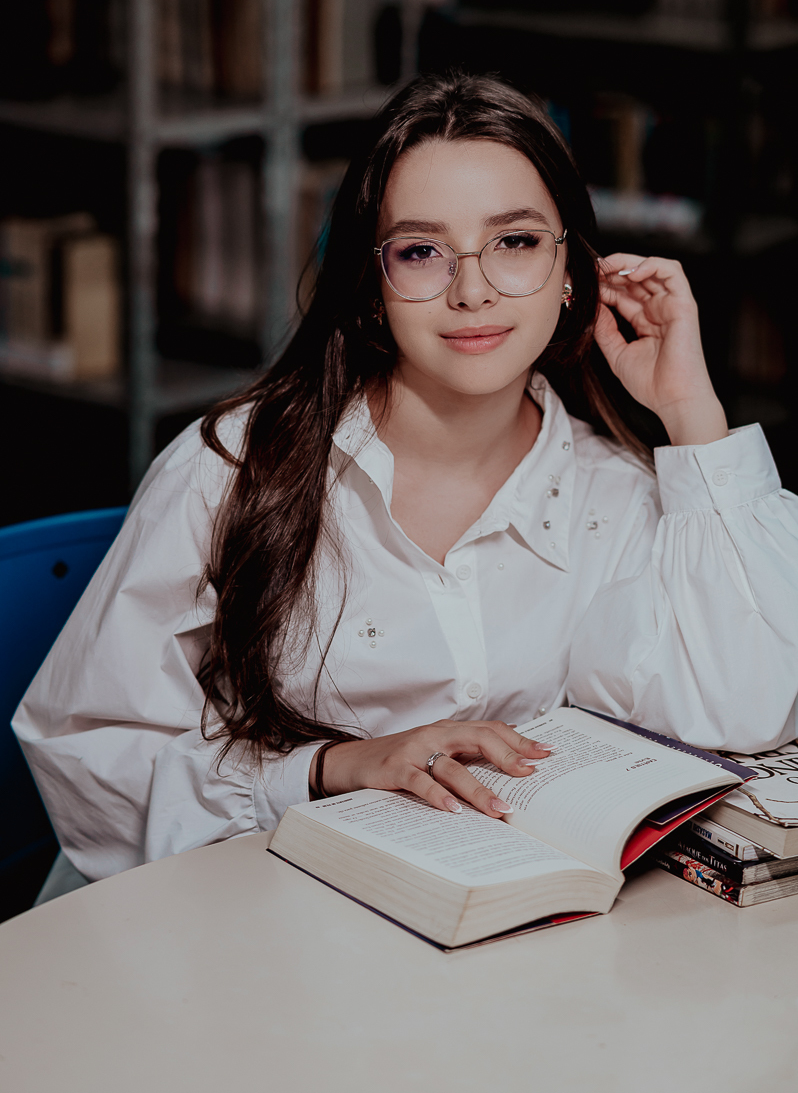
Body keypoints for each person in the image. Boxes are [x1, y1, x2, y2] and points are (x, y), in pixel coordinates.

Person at [13, 72, 798, 883]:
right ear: (371, 284)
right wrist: (329, 768)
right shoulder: (237, 468)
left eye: (517, 242)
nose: (473, 289)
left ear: (572, 271)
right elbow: (86, 756)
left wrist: (690, 412)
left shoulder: (616, 494)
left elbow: (747, 708)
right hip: (235, 925)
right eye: (421, 251)